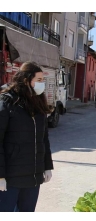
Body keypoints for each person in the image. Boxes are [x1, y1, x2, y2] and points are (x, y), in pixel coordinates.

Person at [0, 61, 54, 212]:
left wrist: (47, 166)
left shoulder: (37, 102)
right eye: (39, 80)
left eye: (43, 80)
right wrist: (0, 176)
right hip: (10, 178)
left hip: (32, 177)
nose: (41, 84)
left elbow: (43, 139)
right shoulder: (7, 102)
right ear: (27, 80)